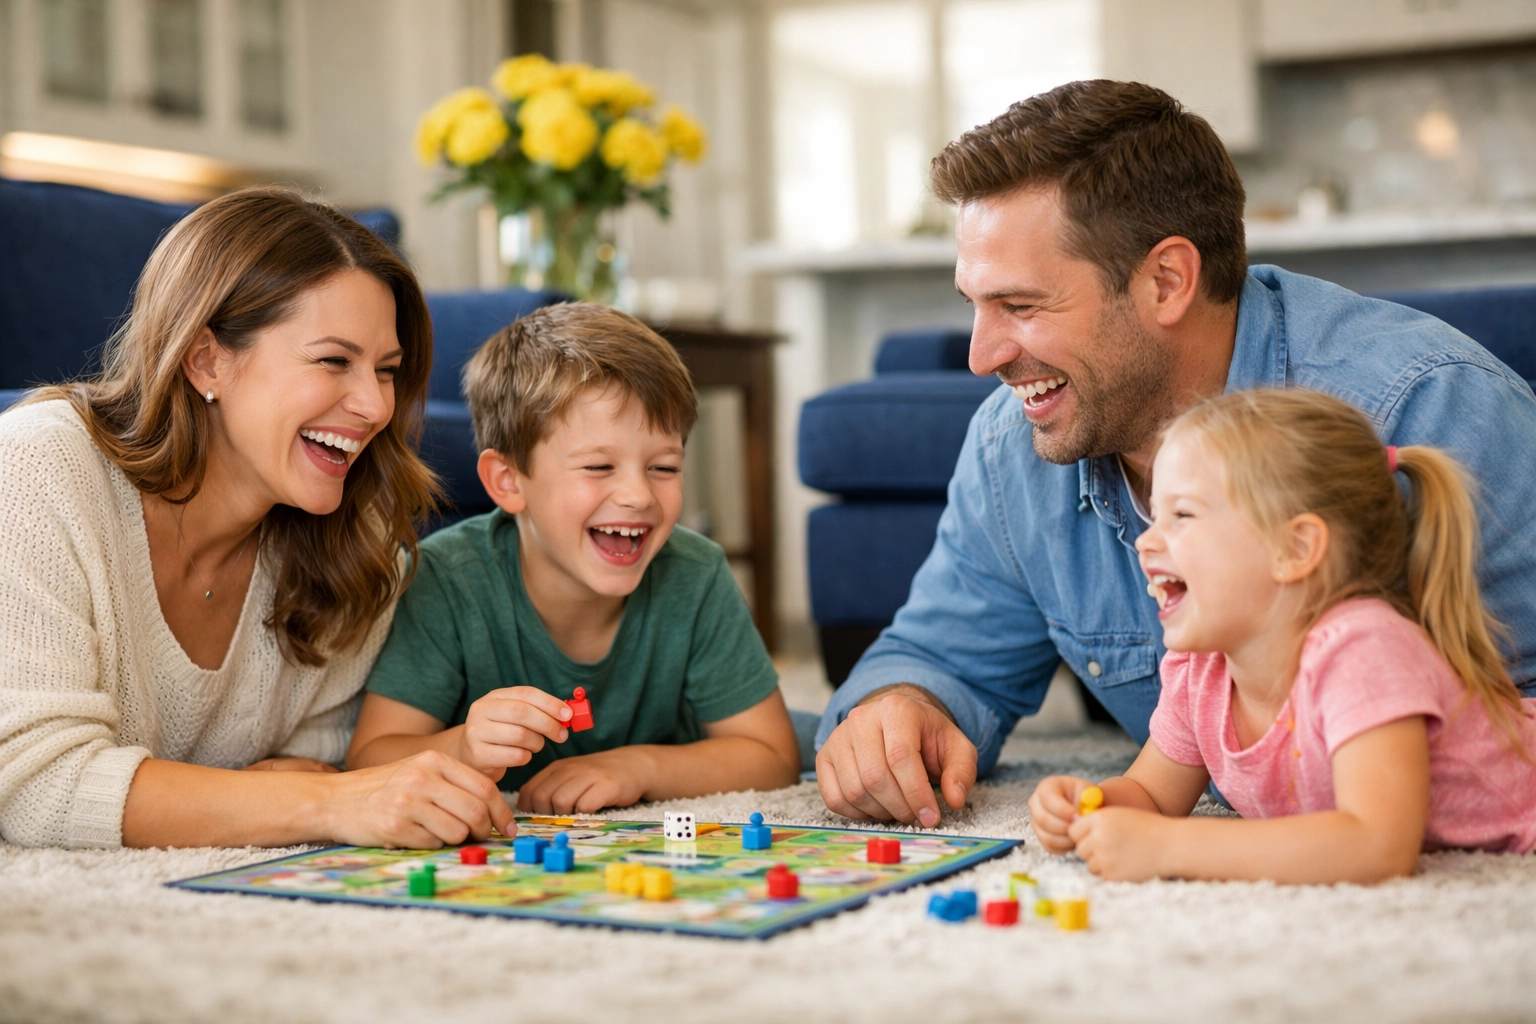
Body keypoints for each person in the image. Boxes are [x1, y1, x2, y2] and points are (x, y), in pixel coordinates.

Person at [814, 79, 1536, 829]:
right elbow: (940, 653)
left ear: (1167, 281)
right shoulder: (1012, 449)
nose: (980, 356)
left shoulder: (1432, 409)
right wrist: (899, 705)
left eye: (1021, 307)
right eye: (976, 305)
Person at [0, 187, 515, 849]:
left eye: (386, 371)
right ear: (206, 359)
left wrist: (307, 785)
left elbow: (311, 757)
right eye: (334, 360)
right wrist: (324, 801)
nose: (374, 406)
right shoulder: (37, 466)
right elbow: (34, 784)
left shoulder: (358, 544)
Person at [1030, 389, 1536, 882]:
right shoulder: (1201, 668)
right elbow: (1153, 794)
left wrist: (1169, 848)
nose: (1145, 540)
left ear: (1295, 549)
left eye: (1181, 515)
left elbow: (1378, 845)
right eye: (1154, 514)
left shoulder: (1363, 651)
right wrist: (1092, 806)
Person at [346, 303, 800, 813]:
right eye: (599, 466)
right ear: (508, 481)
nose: (637, 495)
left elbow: (772, 756)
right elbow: (369, 760)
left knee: (819, 738)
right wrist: (463, 746)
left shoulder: (695, 573)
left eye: (664, 467)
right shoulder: (446, 579)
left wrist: (639, 768)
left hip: (670, 782)